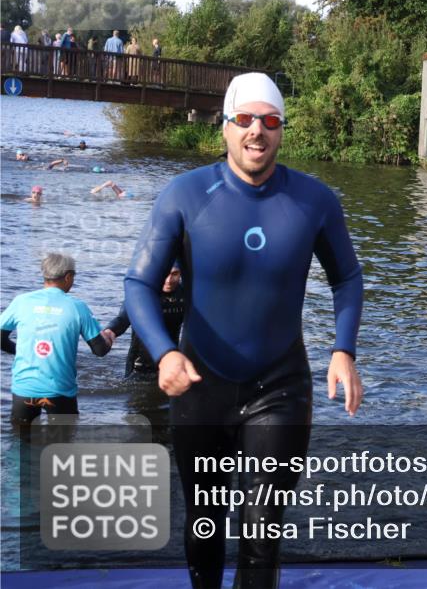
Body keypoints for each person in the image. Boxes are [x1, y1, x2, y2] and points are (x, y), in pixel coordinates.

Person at [124, 72, 363, 588]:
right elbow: (139, 283)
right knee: (205, 523)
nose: (258, 130)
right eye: (246, 119)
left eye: (270, 120)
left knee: (262, 533)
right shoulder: (185, 195)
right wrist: (165, 353)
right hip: (200, 385)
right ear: (226, 127)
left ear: (282, 130)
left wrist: (343, 350)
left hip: (279, 386)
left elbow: (347, 277)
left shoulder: (314, 200)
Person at [0, 253, 113, 424]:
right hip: (60, 391)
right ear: (68, 277)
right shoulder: (77, 307)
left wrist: (21, 351)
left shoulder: (21, 301)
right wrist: (109, 336)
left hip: (24, 389)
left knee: (21, 438)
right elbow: (100, 350)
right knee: (64, 439)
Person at [104, 264, 184, 378]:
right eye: (165, 273)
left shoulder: (185, 294)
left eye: (174, 274)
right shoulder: (141, 293)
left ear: (181, 273)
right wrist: (110, 331)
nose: (169, 280)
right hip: (137, 368)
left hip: (169, 365)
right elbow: (123, 318)